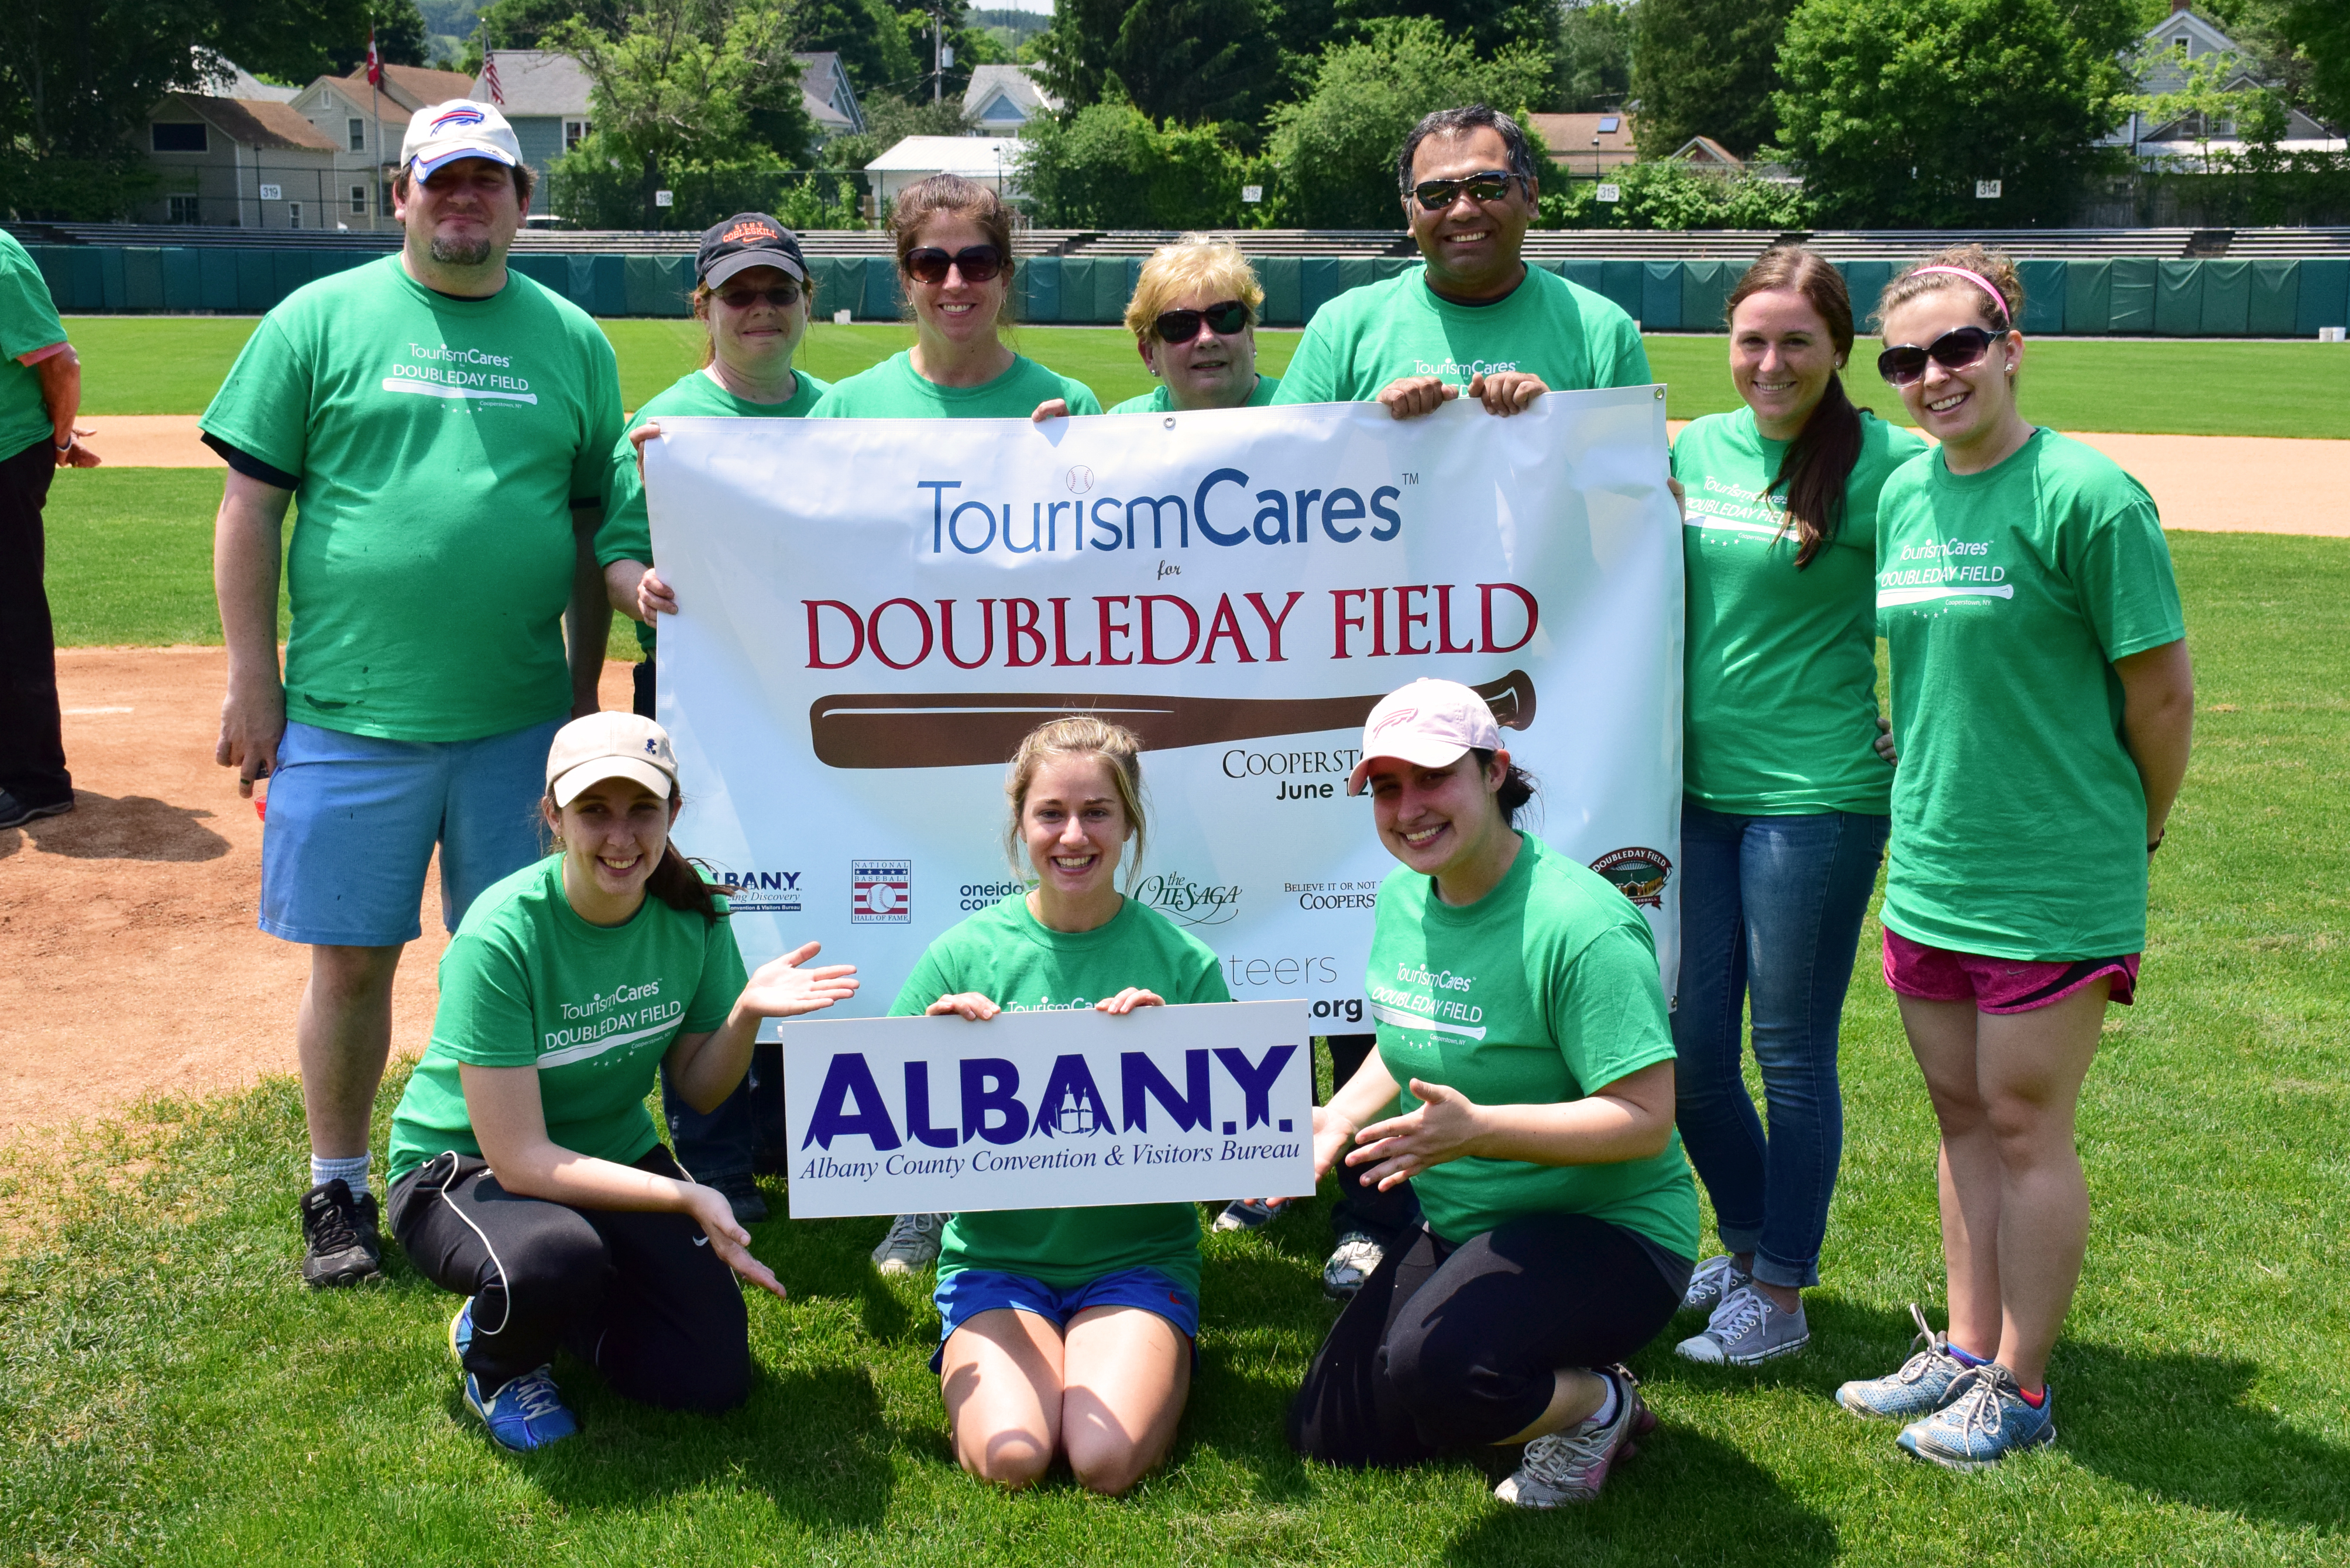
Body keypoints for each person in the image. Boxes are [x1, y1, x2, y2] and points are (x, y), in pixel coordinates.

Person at [201, 99, 624, 1288]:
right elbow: (252, 505)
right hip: (347, 713)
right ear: (401, 196)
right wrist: (255, 677)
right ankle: (338, 1185)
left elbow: (593, 531)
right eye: (441, 182)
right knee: (351, 962)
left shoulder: (574, 341)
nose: (463, 201)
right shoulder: (319, 319)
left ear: (521, 203)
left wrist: (581, 695)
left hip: (517, 723)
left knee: (517, 958)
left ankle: (503, 1163)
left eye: (487, 181)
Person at [1272, 103, 1652, 1297]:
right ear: (1407, 213)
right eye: (1435, 193)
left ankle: (1548, 1181)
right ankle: (1369, 1202)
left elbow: (1638, 514)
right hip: (1366, 673)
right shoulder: (1349, 325)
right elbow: (1270, 486)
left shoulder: (1595, 329)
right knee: (1369, 937)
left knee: (1518, 932)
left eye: (1485, 184)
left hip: (1539, 677)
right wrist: (1361, 436)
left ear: (1530, 194)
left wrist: (1553, 433)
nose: (1460, 209)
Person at [1836, 247, 2191, 1468]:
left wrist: (2131, 830)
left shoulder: (2090, 495)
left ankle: (2022, 1388)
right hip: (1933, 861)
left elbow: (2161, 698)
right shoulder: (1907, 497)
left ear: (2007, 346)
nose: (1932, 376)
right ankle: (1968, 1346)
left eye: (1956, 348)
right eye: (1904, 359)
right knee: (1961, 1116)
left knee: (2028, 1123)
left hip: (2052, 875)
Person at [384, 711, 857, 1450]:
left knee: (707, 1380)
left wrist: (742, 1017)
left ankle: (559, 1305)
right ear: (553, 815)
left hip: (607, 1153)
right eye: (593, 811)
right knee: (552, 1256)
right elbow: (519, 1158)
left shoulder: (694, 908)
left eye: (643, 810)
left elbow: (700, 1092)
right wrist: (684, 1192)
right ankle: (498, 1355)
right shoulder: (501, 933)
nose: (620, 836)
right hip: (464, 1169)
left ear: (672, 812)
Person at [1287, 679, 1699, 1508]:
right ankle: (1541, 1365)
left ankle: (1598, 1407)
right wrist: (1341, 1114)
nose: (1409, 808)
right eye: (1387, 787)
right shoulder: (1405, 895)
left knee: (1439, 1372)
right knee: (1332, 1437)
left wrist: (1478, 1131)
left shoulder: (1581, 925)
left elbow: (1647, 1120)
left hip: (1611, 1231)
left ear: (1495, 772)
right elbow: (1407, 1044)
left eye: (1434, 777)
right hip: (1472, 1221)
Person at [813, 173, 1102, 1274]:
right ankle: (924, 1193)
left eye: (975, 262)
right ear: (902, 278)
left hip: (1032, 734)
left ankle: (1062, 1174)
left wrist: (1078, 462)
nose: (952, 282)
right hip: (903, 734)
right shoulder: (846, 408)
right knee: (923, 967)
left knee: (1033, 964)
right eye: (929, 263)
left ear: (1007, 275)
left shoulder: (1065, 399)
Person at [1665, 248, 1929, 1367]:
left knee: (1788, 1049)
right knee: (1685, 1053)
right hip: (1692, 794)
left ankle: (1777, 1297)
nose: (1770, 364)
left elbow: (1951, 601)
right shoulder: (1689, 447)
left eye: (1796, 344)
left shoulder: (1889, 466)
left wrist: (1916, 717)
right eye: (1751, 341)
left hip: (1815, 803)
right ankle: (1750, 1241)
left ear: (1838, 352)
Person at [895, 716, 1228, 1494]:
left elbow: (1238, 1161)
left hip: (1138, 1262)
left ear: (1129, 823)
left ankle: (1151, 1350)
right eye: (1051, 813)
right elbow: (888, 1145)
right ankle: (1017, 1348)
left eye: (1097, 813)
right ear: (1021, 822)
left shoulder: (1184, 962)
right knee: (1013, 1458)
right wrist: (934, 1057)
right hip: (997, 1264)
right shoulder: (959, 957)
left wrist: (1177, 1050)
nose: (1073, 835)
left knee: (1103, 1460)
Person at [598, 212, 831, 1226]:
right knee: (712, 916)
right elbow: (611, 551)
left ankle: (802, 1133)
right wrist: (636, 586)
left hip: (826, 702)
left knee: (822, 895)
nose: (761, 309)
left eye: (778, 291)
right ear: (706, 307)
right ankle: (717, 1157)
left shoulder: (846, 416)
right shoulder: (667, 423)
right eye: (739, 293)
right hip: (705, 707)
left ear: (804, 304)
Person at [0, 228, 99, 831]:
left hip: (6, 457)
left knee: (11, 616)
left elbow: (61, 364)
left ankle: (36, 781)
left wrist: (60, 440)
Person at [1105, 237, 1280, 415]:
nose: (1207, 339)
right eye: (1181, 324)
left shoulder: (1299, 408)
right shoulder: (1119, 427)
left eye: (1225, 317)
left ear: (1250, 337)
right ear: (1149, 354)